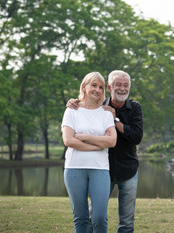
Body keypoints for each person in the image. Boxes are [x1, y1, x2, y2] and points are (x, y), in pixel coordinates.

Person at [68, 70, 143, 233]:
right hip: (102, 170)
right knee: (93, 217)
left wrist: (115, 119)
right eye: (118, 85)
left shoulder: (135, 107)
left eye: (126, 85)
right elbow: (84, 105)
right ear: (109, 87)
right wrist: (73, 102)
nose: (122, 89)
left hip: (128, 169)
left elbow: (136, 137)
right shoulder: (100, 106)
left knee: (127, 223)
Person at [62, 72, 117, 233]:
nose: (97, 90)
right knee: (80, 218)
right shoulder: (71, 111)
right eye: (93, 85)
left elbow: (112, 141)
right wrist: (98, 144)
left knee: (100, 217)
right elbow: (69, 141)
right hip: (74, 168)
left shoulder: (106, 113)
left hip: (100, 169)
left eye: (101, 87)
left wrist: (86, 137)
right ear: (84, 87)